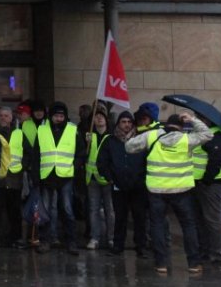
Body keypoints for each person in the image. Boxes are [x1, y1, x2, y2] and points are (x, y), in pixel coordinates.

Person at [125, 112, 211, 275]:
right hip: (182, 190)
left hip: (156, 189)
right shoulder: (187, 139)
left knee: (157, 225)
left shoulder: (152, 135)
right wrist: (193, 120)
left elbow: (129, 146)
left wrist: (134, 132)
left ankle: (161, 264)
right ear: (181, 126)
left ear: (166, 125)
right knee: (188, 226)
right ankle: (193, 263)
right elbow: (208, 134)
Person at [97, 110, 148, 257]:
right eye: (123, 122)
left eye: (129, 122)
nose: (126, 125)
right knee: (120, 217)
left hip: (138, 186)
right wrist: (109, 177)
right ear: (118, 123)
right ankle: (118, 245)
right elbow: (102, 162)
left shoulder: (140, 139)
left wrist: (142, 178)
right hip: (118, 185)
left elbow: (147, 160)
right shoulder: (110, 141)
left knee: (139, 217)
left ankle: (141, 246)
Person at [35, 102, 78, 254]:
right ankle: (45, 241)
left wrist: (76, 169)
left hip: (65, 175)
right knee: (45, 211)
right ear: (51, 116)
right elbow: (36, 153)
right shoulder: (42, 129)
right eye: (56, 116)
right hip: (47, 175)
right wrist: (36, 175)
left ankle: (71, 242)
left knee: (67, 210)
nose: (59, 119)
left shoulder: (73, 130)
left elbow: (79, 153)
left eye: (61, 116)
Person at [190, 115, 221, 263]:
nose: (197, 120)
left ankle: (216, 253)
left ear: (208, 120)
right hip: (197, 182)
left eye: (200, 118)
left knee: (213, 219)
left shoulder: (218, 136)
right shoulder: (200, 134)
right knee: (201, 218)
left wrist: (206, 180)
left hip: (211, 183)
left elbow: (215, 161)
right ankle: (205, 249)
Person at [0, 106, 23, 249]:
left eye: (6, 115)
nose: (3, 118)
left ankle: (16, 238)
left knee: (14, 210)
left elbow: (28, 153)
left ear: (12, 118)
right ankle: (0, 238)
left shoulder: (19, 134)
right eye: (1, 116)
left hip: (14, 178)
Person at [84, 107, 113, 250]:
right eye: (96, 116)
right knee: (93, 209)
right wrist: (86, 144)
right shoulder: (90, 136)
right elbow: (84, 156)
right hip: (93, 179)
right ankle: (94, 238)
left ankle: (111, 238)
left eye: (102, 116)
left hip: (107, 179)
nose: (99, 118)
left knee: (110, 210)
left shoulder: (112, 136)